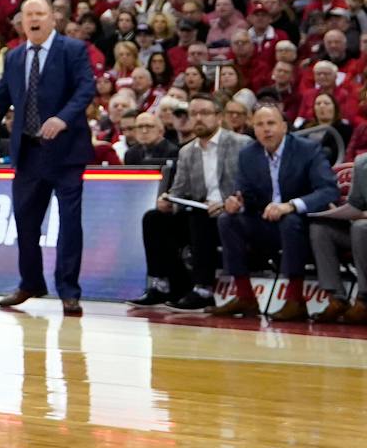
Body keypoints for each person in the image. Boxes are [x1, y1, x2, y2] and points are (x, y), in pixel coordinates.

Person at [0, 0, 97, 314]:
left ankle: (69, 290)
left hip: (66, 151)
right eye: (28, 14)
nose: (34, 19)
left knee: (70, 224)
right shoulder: (15, 56)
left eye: (40, 14)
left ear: (52, 19)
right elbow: (2, 94)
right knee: (25, 223)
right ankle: (30, 282)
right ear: (22, 21)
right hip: (29, 151)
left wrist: (62, 118)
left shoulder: (72, 50)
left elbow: (86, 89)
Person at [213, 99, 338, 320]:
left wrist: (290, 205)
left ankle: (295, 299)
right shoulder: (248, 154)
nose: (266, 129)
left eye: (271, 123)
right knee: (227, 220)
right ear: (253, 128)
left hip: (300, 223)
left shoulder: (307, 150)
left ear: (284, 127)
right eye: (260, 124)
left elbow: (328, 191)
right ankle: (245, 296)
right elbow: (245, 192)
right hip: (264, 221)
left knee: (289, 221)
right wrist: (235, 201)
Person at [135, 94, 247, 311]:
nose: (197, 118)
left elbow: (251, 184)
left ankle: (203, 289)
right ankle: (165, 284)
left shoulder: (240, 144)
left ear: (219, 117)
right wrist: (168, 202)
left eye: (204, 113)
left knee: (199, 218)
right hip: (201, 211)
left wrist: (227, 202)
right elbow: (179, 191)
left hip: (232, 213)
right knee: (154, 218)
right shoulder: (186, 151)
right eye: (193, 114)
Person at [306, 146, 367, 325]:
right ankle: (336, 298)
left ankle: (364, 300)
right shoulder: (362, 162)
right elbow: (356, 204)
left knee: (361, 227)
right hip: (360, 230)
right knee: (320, 228)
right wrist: (339, 212)